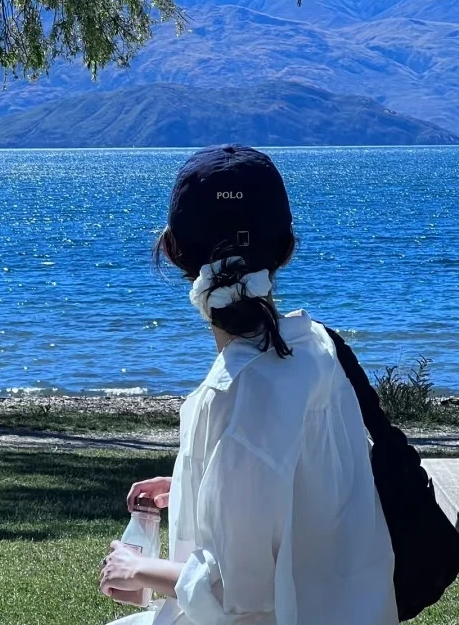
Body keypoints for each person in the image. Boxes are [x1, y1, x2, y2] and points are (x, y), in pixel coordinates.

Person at [99, 144, 397, 625]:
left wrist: (138, 567)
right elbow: (299, 491)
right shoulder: (316, 349)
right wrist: (194, 484)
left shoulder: (236, 389)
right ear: (287, 249)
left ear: (173, 250)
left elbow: (243, 597)